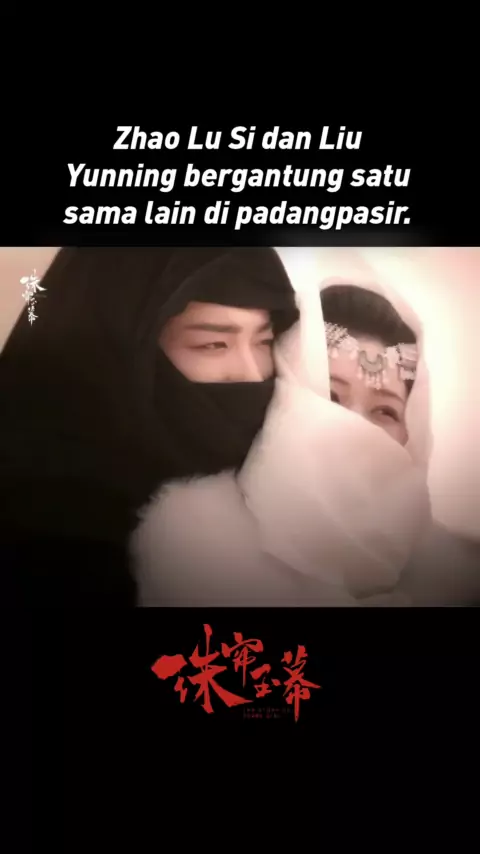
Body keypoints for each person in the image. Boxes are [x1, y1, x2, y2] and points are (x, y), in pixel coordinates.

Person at [133, 276, 480, 606]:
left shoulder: (450, 573)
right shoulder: (195, 550)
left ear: (412, 433)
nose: (354, 426)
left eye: (385, 411)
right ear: (286, 399)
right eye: (332, 397)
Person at [0, 247, 298, 606]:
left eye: (264, 341)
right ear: (124, 347)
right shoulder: (41, 524)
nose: (252, 374)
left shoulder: (279, 476)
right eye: (213, 344)